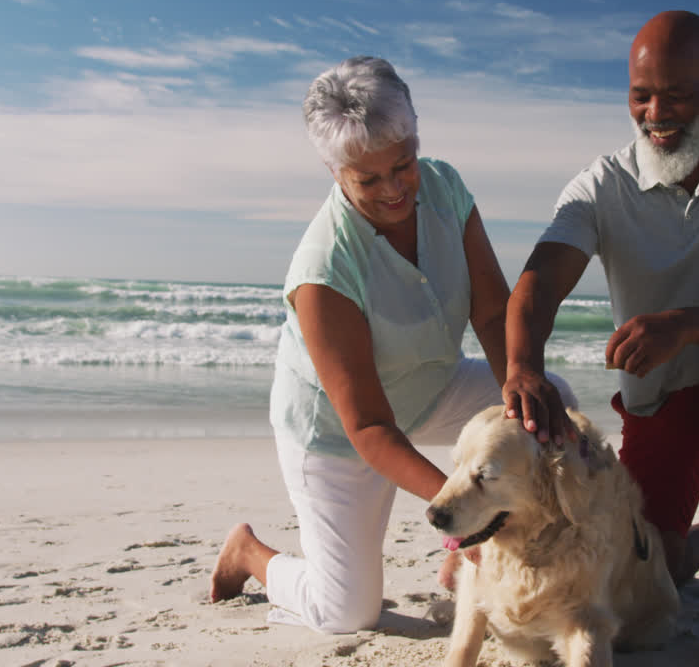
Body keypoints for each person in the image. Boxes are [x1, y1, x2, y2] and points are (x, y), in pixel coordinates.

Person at [208, 56, 573, 634]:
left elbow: (490, 310)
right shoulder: (323, 270)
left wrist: (519, 386)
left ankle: (458, 561)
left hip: (432, 391)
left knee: (544, 397)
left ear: (416, 138)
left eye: (402, 165)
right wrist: (467, 515)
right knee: (347, 612)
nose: (395, 189)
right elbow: (370, 428)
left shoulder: (445, 186)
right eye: (368, 179)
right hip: (337, 437)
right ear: (335, 172)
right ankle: (251, 554)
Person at [502, 11, 699, 666]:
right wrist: (523, 367)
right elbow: (538, 285)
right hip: (656, 398)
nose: (657, 113)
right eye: (641, 95)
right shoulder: (600, 184)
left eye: (678, 94)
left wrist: (683, 325)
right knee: (654, 567)